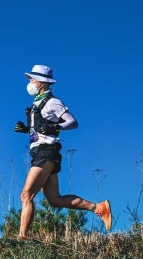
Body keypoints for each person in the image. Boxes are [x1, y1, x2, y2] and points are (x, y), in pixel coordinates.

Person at [14, 64, 111, 239]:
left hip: (46, 152)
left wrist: (54, 126)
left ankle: (23, 237)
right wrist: (27, 129)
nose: (30, 82)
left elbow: (72, 122)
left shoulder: (53, 102)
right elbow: (42, 128)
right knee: (55, 200)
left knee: (26, 194)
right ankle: (98, 208)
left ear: (42, 82)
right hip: (40, 152)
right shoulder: (37, 103)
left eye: (32, 79)